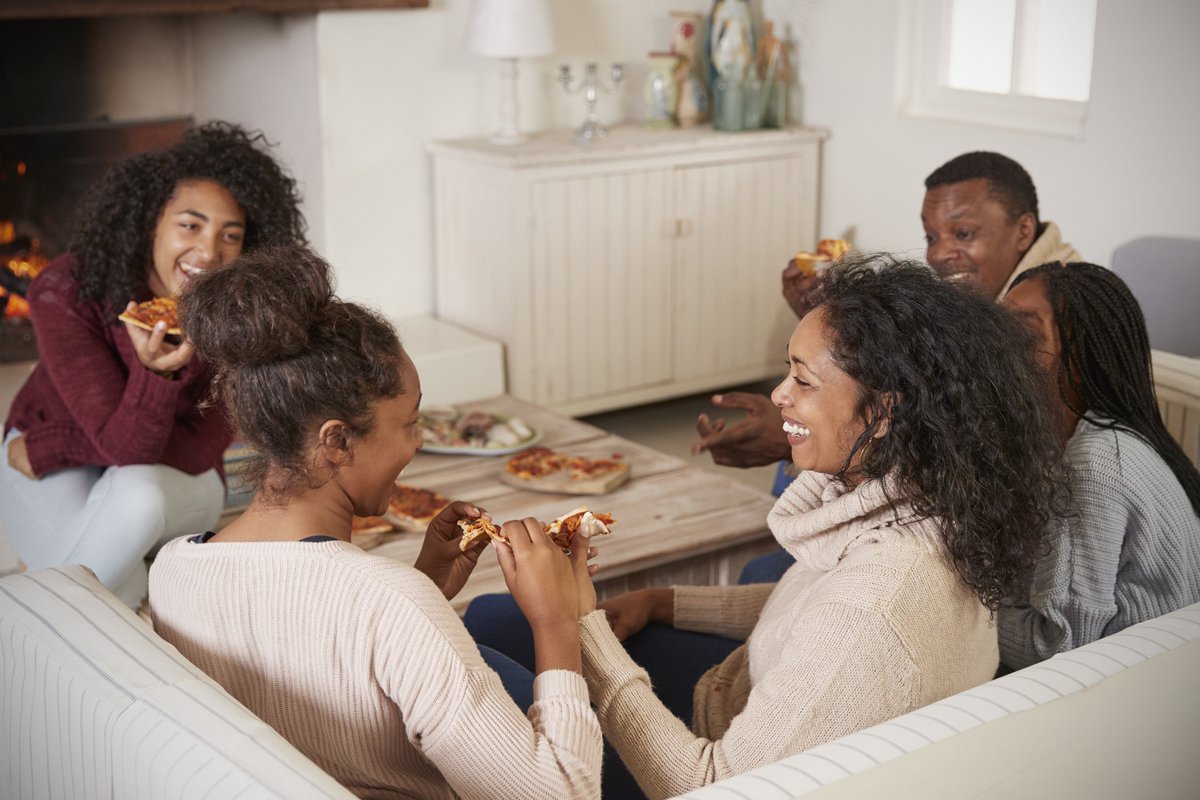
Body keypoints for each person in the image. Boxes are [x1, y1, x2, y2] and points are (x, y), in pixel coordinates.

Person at [467, 255, 1066, 799]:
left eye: (803, 380)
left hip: (705, 770)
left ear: (883, 412)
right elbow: (813, 608)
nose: (780, 395)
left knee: (483, 680)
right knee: (492, 616)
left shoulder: (878, 599)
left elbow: (705, 784)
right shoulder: (926, 494)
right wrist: (660, 601)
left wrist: (576, 625)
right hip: (733, 696)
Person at [147, 245, 601, 800]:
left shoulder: (173, 567)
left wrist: (427, 584)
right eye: (410, 422)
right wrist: (557, 619)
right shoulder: (389, 605)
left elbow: (322, 662)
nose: (418, 440)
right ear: (336, 440)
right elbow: (559, 794)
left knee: (486, 623)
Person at [699, 151, 1082, 582]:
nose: (941, 254)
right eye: (931, 237)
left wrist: (796, 435)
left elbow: (980, 444)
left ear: (1023, 229)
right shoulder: (982, 299)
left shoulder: (1044, 312)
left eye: (964, 233)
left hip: (953, 522)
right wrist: (821, 323)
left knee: (764, 571)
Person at [0, 122, 307, 607]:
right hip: (42, 449)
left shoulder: (247, 312)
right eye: (190, 225)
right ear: (149, 223)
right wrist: (103, 435)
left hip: (142, 473)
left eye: (231, 234)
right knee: (118, 587)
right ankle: (129, 588)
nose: (209, 252)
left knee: (137, 491)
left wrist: (52, 446)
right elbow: (120, 441)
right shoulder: (68, 288)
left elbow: (196, 446)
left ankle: (33, 615)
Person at [998, 262, 1200, 670]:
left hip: (1132, 695)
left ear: (1079, 355)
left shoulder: (1095, 464)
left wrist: (967, 618)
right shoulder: (1094, 440)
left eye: (1020, 334)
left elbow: (1056, 647)